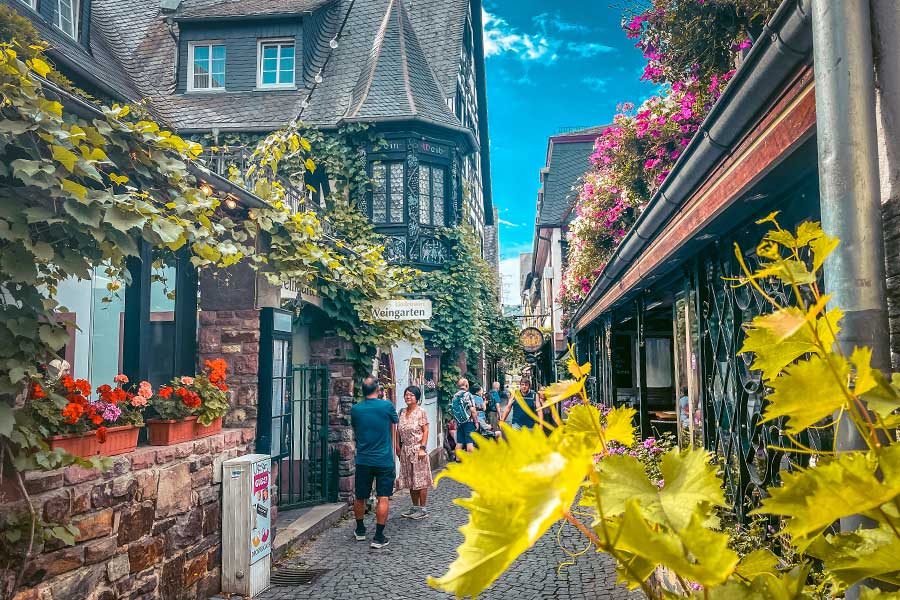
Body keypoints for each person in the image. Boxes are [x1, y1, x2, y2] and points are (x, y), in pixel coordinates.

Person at [350, 376, 398, 549]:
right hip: (384, 459)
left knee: (360, 496)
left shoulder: (356, 409)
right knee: (383, 497)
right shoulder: (387, 406)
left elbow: (356, 428)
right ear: (378, 389)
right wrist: (384, 400)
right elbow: (394, 421)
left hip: (363, 459)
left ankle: (361, 530)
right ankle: (378, 536)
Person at [396, 386, 433, 520]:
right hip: (406, 450)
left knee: (421, 480)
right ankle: (414, 507)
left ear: (417, 398)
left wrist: (422, 448)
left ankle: (423, 509)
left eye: (411, 395)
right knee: (411, 479)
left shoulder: (420, 411)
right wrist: (397, 447)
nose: (408, 397)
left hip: (418, 450)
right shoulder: (401, 412)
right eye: (406, 394)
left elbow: (426, 430)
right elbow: (397, 430)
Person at [450, 378, 479, 452]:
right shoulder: (468, 395)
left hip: (459, 422)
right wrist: (476, 422)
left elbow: (453, 410)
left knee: (459, 443)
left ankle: (457, 459)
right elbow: (472, 410)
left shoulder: (455, 396)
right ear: (466, 385)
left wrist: (457, 421)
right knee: (470, 442)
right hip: (468, 422)